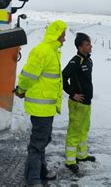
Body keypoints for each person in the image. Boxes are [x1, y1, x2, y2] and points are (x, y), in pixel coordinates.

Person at [14, 20, 67, 186]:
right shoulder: (43, 51)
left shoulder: (52, 51)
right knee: (37, 144)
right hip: (40, 107)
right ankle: (33, 178)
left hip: (47, 107)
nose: (64, 39)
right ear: (57, 34)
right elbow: (28, 75)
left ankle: (41, 172)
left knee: (42, 140)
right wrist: (21, 90)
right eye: (63, 35)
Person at [62, 33, 95, 174]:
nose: (90, 46)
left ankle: (81, 155)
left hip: (86, 103)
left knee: (84, 129)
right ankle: (70, 160)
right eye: (87, 44)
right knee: (74, 131)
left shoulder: (88, 60)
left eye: (90, 44)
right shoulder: (76, 61)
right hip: (77, 103)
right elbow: (62, 77)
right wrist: (72, 93)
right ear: (80, 47)